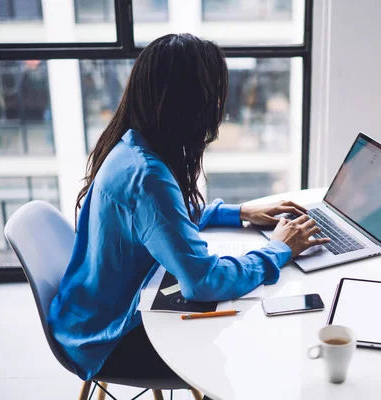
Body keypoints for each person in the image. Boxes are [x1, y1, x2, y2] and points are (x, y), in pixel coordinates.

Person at [47, 33, 329, 387]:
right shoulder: (148, 178)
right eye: (215, 96)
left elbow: (165, 222)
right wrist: (279, 250)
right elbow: (203, 283)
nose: (220, 108)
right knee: (250, 350)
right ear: (190, 104)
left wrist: (241, 212)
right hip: (105, 338)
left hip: (87, 311)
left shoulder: (133, 146)